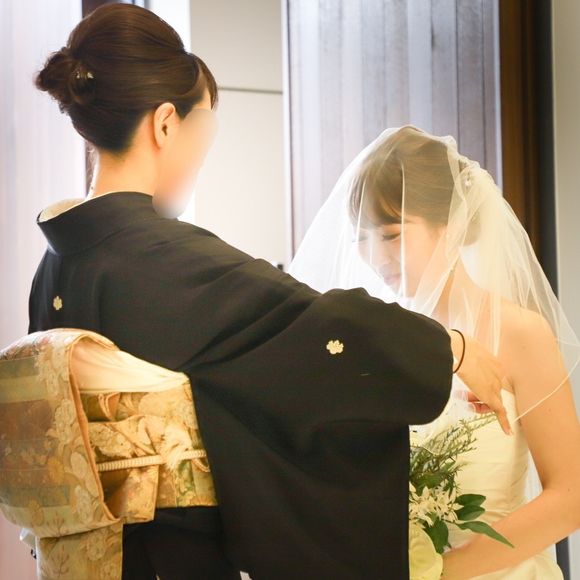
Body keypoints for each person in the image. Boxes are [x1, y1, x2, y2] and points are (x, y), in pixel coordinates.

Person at [30, 6, 508, 579]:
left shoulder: (54, 268)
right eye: (205, 128)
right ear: (165, 124)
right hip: (170, 561)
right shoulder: (163, 258)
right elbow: (320, 329)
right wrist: (450, 349)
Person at [289, 125, 580, 579]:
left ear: (450, 225)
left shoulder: (520, 333)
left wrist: (441, 572)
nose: (373, 256)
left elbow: (570, 498)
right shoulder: (378, 341)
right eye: (361, 239)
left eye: (390, 235)